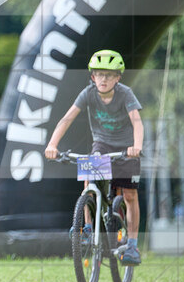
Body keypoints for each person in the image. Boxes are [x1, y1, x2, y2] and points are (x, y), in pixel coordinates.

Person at [44, 49, 143, 265]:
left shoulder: (125, 94)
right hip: (102, 144)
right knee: (88, 177)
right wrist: (52, 144)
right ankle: (88, 228)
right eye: (99, 74)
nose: (103, 79)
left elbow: (136, 121)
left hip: (127, 147)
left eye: (109, 75)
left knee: (130, 196)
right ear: (92, 77)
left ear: (118, 77)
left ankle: (133, 246)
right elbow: (67, 118)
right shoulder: (87, 94)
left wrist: (137, 146)